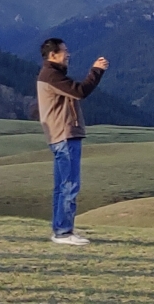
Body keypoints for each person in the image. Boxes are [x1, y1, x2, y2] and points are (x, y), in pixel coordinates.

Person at [37, 37, 108, 246]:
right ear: (53, 55)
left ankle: (61, 228)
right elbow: (80, 91)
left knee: (61, 186)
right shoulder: (51, 76)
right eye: (64, 51)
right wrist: (97, 71)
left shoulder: (49, 75)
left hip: (59, 135)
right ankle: (64, 232)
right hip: (65, 134)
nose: (68, 54)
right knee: (69, 185)